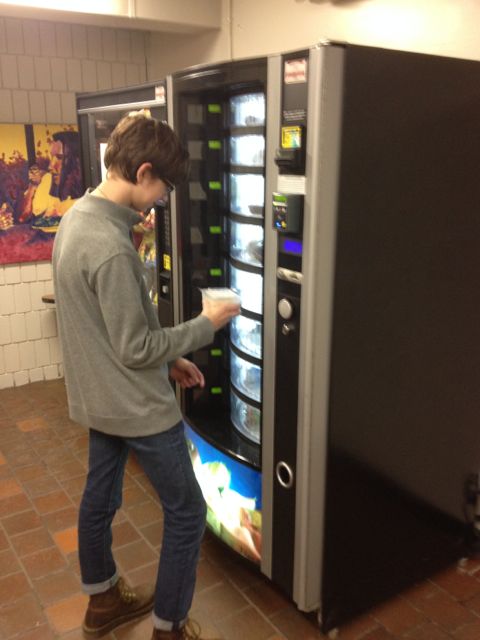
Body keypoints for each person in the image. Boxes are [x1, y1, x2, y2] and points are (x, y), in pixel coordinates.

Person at [52, 111, 240, 640]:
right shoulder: (111, 248)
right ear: (143, 172)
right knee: (186, 511)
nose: (161, 200)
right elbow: (134, 346)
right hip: (135, 406)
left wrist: (166, 358)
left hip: (97, 397)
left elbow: (104, 329)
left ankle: (103, 601)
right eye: (163, 188)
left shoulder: (77, 220)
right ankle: (170, 627)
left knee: (101, 497)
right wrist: (203, 326)